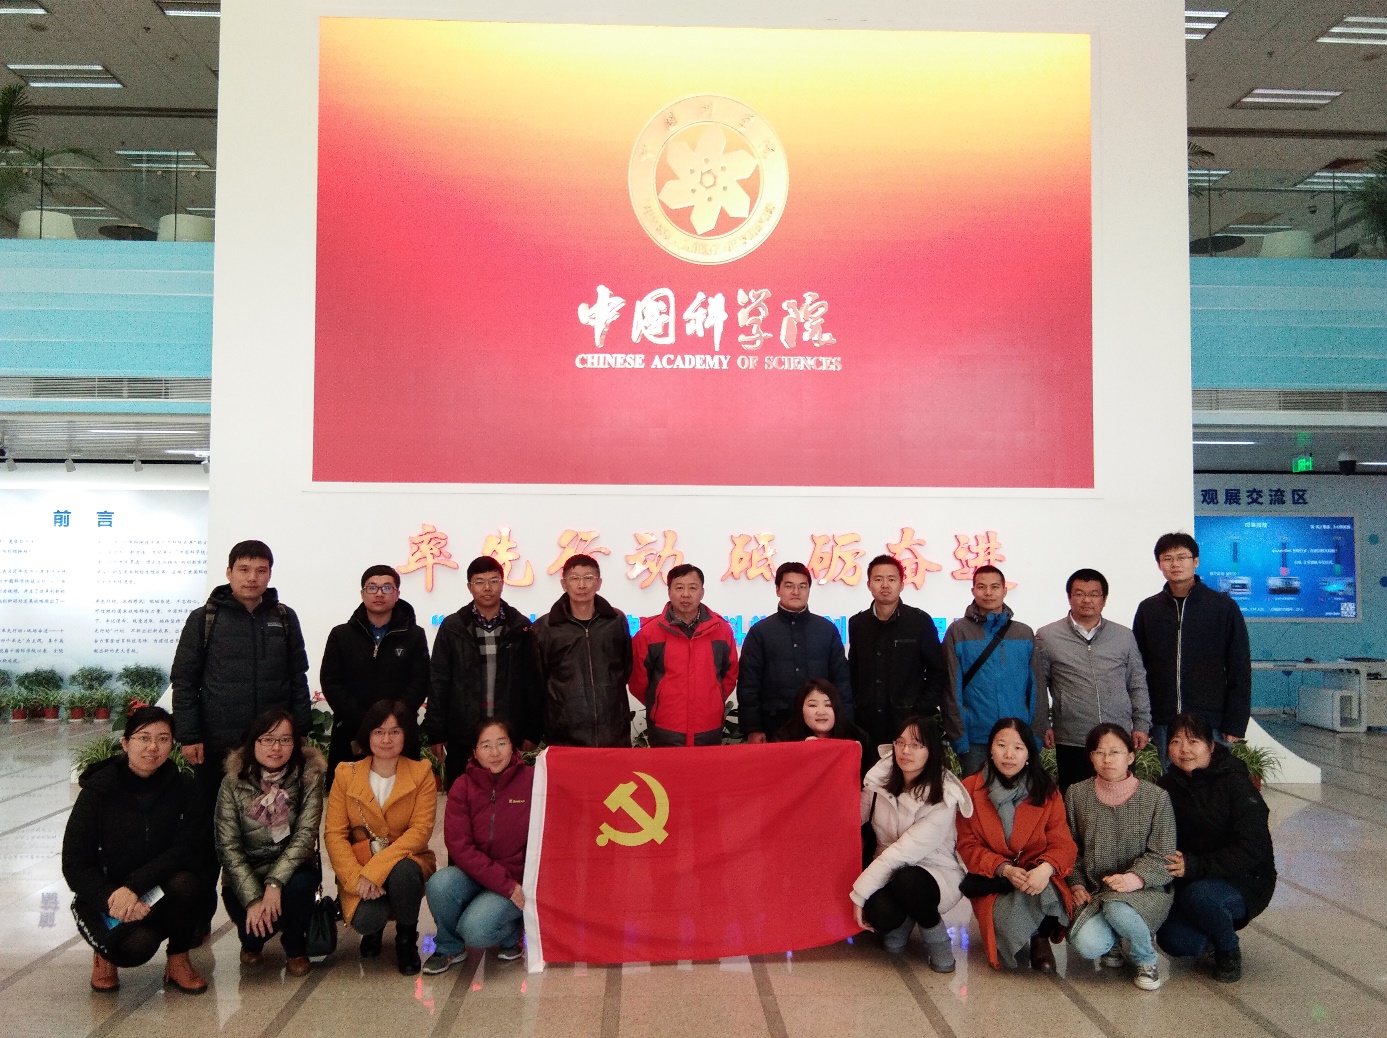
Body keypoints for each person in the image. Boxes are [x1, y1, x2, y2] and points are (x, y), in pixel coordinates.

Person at [170, 539, 311, 925]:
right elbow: (185, 680)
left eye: (261, 570)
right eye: (244, 569)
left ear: (270, 574)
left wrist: (299, 732)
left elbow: (297, 677)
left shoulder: (284, 617)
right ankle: (198, 919)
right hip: (218, 745)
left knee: (272, 828)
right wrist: (189, 735)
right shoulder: (205, 619)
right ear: (229, 572)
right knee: (208, 833)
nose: (252, 577)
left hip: (271, 749)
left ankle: (270, 912)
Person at [62, 706, 209, 994]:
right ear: (126, 743)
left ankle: (179, 960)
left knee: (188, 882)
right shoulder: (97, 792)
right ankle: (105, 955)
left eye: (163, 739)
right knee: (136, 947)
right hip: (108, 894)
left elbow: (184, 848)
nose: (153, 747)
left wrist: (135, 886)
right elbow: (74, 863)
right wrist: (111, 896)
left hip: (154, 888)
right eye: (144, 738)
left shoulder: (183, 787)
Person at [1157, 713, 1276, 983]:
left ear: (1211, 745)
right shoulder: (1167, 786)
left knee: (1201, 897)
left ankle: (1228, 949)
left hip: (1245, 878)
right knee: (1174, 939)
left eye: (1193, 741)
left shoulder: (1235, 783)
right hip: (1192, 877)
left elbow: (1252, 847)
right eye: (1176, 741)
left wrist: (1195, 866)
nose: (1184, 749)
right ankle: (1212, 933)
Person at [323, 699, 438, 975]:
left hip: (405, 860)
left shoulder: (421, 772)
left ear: (406, 735)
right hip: (359, 864)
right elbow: (334, 835)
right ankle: (374, 929)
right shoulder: (345, 774)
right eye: (379, 731)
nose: (386, 739)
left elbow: (420, 832)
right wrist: (356, 879)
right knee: (367, 919)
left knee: (405, 873)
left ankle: (406, 939)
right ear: (368, 734)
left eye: (395, 731)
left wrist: (374, 872)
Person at [852, 715, 972, 973]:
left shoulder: (944, 797)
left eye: (916, 745)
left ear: (931, 751)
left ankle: (937, 939)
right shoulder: (879, 781)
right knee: (879, 913)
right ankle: (904, 921)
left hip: (936, 872)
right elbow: (850, 819)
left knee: (908, 881)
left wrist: (859, 893)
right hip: (888, 867)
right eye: (900, 742)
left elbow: (902, 852)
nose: (905, 751)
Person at [955, 718, 1077, 971]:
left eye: (1018, 748)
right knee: (1004, 919)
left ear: (1028, 753)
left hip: (1035, 872)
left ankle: (1040, 939)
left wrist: (1045, 868)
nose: (1009, 755)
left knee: (1046, 892)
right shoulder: (970, 788)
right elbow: (967, 845)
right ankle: (1018, 934)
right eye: (1001, 745)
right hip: (995, 878)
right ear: (990, 748)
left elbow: (1063, 842)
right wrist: (1004, 868)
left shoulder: (1047, 791)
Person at [1065, 723, 1177, 990]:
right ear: (1091, 757)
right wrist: (1076, 883)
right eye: (1099, 752)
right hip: (1096, 890)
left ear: (1130, 756)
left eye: (1115, 752)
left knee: (1117, 908)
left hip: (1145, 889)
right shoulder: (1076, 794)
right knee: (1087, 944)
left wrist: (1133, 879)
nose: (1107, 759)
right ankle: (1115, 940)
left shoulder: (1156, 797)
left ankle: (1146, 959)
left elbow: (1164, 855)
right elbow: (1071, 848)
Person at [215, 708, 326, 976]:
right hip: (247, 872)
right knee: (255, 932)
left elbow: (305, 835)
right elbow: (228, 847)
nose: (276, 748)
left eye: (285, 740)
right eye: (267, 739)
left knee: (300, 887)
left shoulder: (308, 776)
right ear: (253, 742)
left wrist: (275, 883)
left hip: (292, 869)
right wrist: (254, 899)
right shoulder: (232, 781)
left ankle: (295, 946)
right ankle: (251, 944)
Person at [1132, 533, 1252, 768]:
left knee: (1213, 782)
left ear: (1195, 561)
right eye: (1167, 558)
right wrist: (1142, 719)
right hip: (1164, 719)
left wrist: (1235, 721)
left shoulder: (1222, 607)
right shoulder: (1149, 609)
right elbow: (1138, 668)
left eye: (1182, 557)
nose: (1175, 564)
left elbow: (1239, 667)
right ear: (1159, 564)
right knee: (1173, 781)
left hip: (1210, 720)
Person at [423, 719, 533, 974]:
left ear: (512, 746)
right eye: (486, 746)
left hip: (515, 879)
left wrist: (513, 884)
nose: (495, 753)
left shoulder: (532, 780)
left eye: (501, 744)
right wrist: (501, 883)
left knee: (475, 930)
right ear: (474, 751)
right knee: (439, 884)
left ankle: (512, 932)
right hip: (475, 875)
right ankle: (450, 947)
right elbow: (459, 846)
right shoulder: (462, 786)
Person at [429, 556, 542, 787]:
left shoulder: (520, 627)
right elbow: (439, 681)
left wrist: (532, 730)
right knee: (464, 794)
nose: (487, 588)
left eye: (494, 581)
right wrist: (437, 732)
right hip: (463, 731)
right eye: (480, 582)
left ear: (502, 583)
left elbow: (533, 682)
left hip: (508, 730)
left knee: (509, 796)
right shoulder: (452, 627)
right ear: (469, 586)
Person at [1036, 568, 1152, 792]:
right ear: (1069, 597)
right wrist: (1043, 724)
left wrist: (1141, 724)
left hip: (1118, 736)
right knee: (1075, 798)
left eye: (1094, 594)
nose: (1087, 600)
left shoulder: (1123, 636)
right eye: (1079, 593)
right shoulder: (1048, 636)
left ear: (1104, 599)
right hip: (1072, 737)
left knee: (1121, 796)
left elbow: (1137, 682)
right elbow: (1039, 686)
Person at [320, 564, 430, 788]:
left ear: (397, 594)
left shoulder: (414, 635)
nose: (379, 593)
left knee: (403, 796)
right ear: (362, 593)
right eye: (372, 587)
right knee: (349, 796)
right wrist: (366, 721)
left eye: (387, 588)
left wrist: (392, 721)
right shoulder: (341, 635)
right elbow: (331, 682)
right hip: (351, 731)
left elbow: (420, 681)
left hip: (400, 731)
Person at [941, 565, 1044, 777]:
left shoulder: (1023, 633)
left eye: (995, 587)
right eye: (981, 587)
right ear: (973, 591)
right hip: (976, 739)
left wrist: (1035, 735)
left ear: (1005, 590)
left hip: (1017, 737)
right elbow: (951, 687)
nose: (988, 593)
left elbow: (1036, 688)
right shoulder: (958, 632)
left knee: (1019, 795)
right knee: (976, 795)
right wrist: (959, 738)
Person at [739, 562, 852, 743]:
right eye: (789, 586)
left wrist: (845, 724)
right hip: (774, 725)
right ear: (778, 590)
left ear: (809, 590)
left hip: (820, 727)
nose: (796, 592)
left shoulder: (826, 630)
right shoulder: (760, 632)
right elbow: (749, 684)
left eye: (802, 586)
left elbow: (841, 680)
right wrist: (753, 728)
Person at [629, 563, 739, 747]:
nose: (686, 594)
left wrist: (714, 701)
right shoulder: (649, 633)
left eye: (692, 588)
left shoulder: (722, 630)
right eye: (679, 588)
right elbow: (638, 681)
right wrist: (659, 705)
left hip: (709, 726)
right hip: (665, 727)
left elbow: (730, 674)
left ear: (702, 592)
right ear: (669, 592)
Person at [532, 553, 634, 747]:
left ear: (599, 583)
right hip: (565, 734)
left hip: (613, 730)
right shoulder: (546, 627)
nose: (581, 585)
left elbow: (625, 668)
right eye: (574, 578)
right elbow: (538, 680)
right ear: (564, 584)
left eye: (588, 577)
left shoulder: (615, 621)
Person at [847, 555, 948, 747]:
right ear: (868, 585)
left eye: (891, 579)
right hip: (866, 723)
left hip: (908, 721)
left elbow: (938, 672)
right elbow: (854, 672)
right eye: (878, 579)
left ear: (902, 584)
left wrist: (920, 711)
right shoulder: (858, 624)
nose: (885, 585)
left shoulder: (919, 622)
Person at [775, 678, 875, 779]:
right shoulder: (784, 740)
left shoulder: (858, 737)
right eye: (812, 705)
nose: (821, 712)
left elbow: (872, 782)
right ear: (800, 709)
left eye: (828, 705)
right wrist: (802, 755)